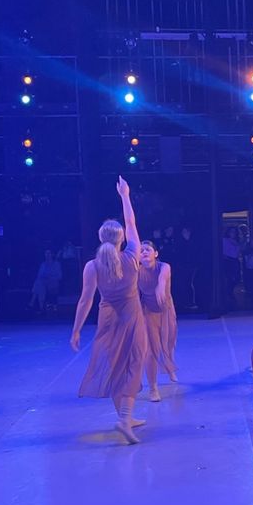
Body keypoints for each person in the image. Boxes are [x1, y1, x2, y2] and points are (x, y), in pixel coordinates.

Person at [70, 177, 148, 445]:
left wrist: (77, 330)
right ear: (122, 238)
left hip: (108, 320)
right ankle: (124, 419)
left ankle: (126, 416)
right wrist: (125, 196)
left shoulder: (92, 266)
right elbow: (132, 223)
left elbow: (84, 301)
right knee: (133, 364)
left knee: (115, 366)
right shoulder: (132, 255)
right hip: (132, 319)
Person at [138, 240, 178, 401]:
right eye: (141, 251)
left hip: (166, 310)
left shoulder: (164, 267)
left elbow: (162, 280)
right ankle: (153, 388)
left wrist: (160, 288)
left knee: (168, 343)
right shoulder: (136, 271)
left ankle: (169, 366)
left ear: (156, 254)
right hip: (148, 312)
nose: (144, 252)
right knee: (151, 350)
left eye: (148, 249)